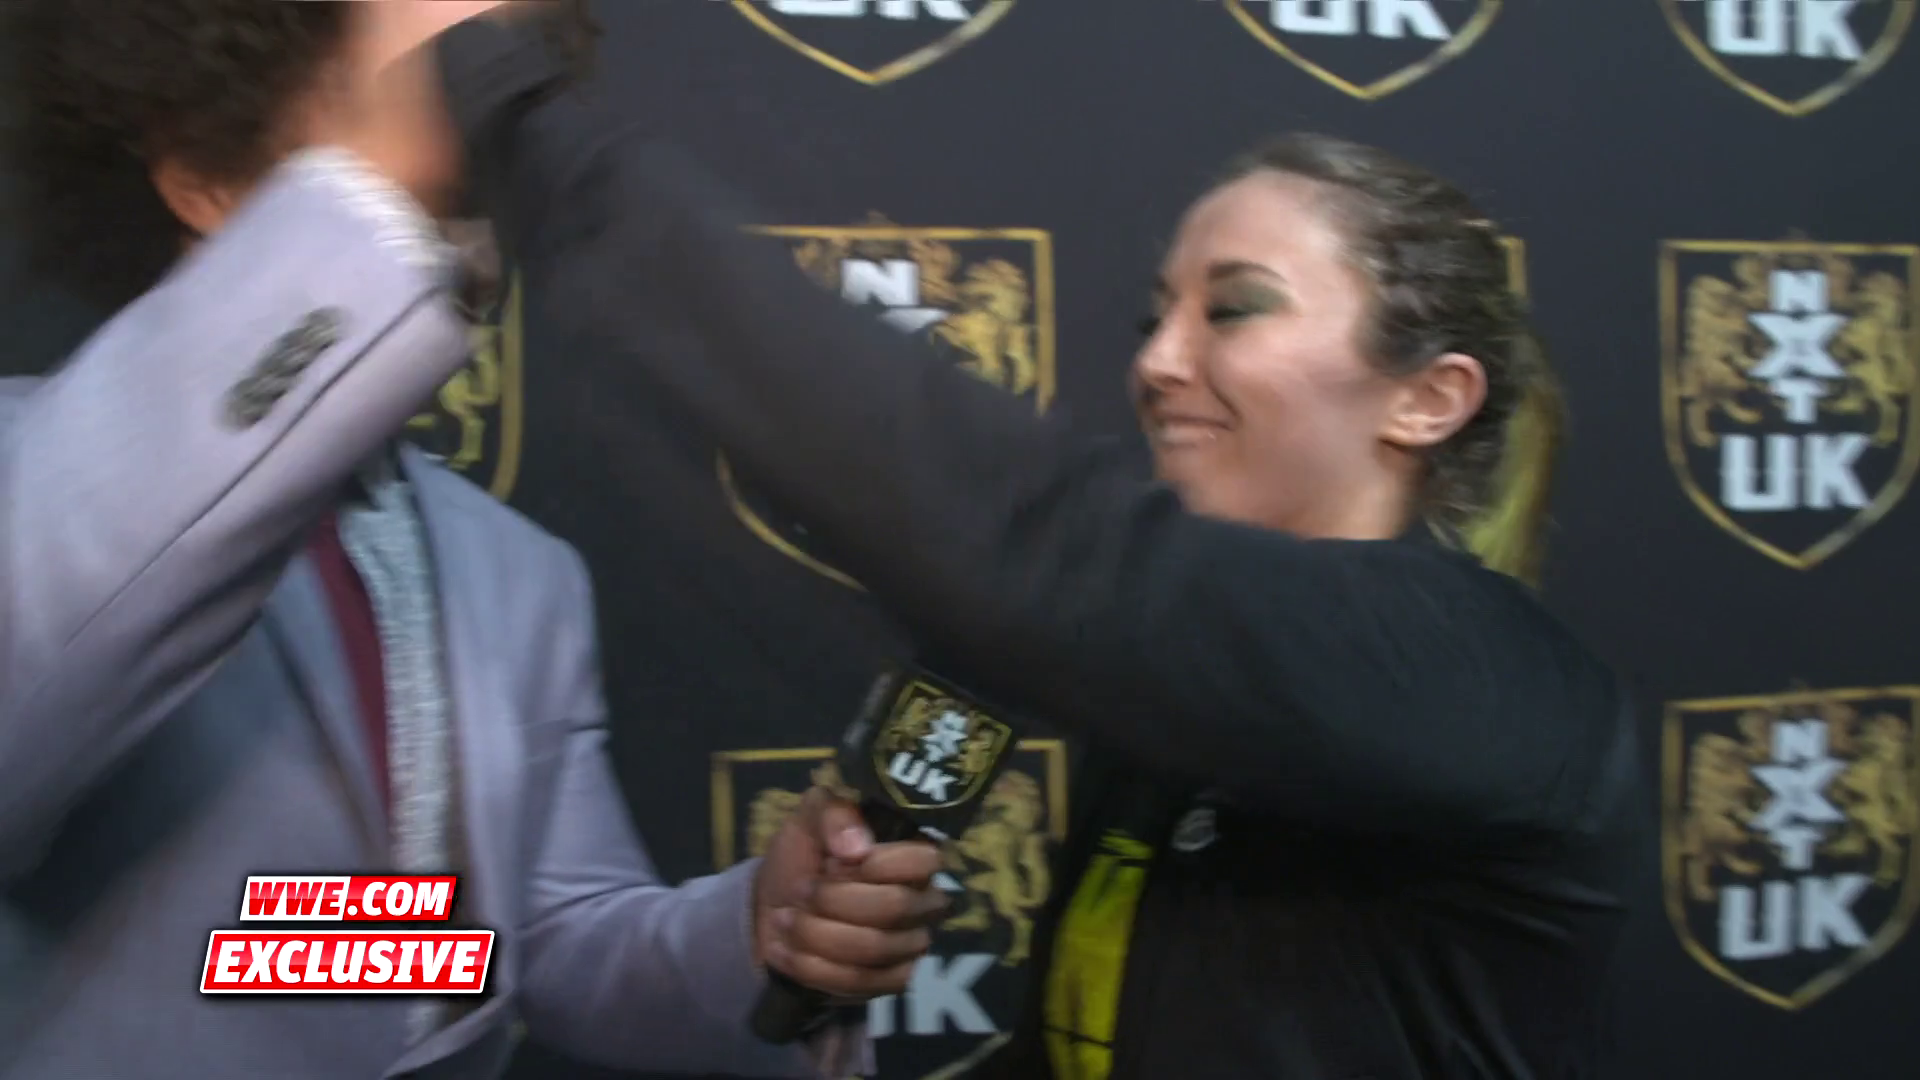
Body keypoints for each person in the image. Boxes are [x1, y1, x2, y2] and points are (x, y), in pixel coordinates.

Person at [427, 14, 1648, 1078]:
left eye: (1234, 308)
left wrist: (506, 105)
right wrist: (775, 929)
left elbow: (1026, 548)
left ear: (1429, 398)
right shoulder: (1184, 716)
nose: (1157, 363)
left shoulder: (1487, 683)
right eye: (1155, 316)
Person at [0, 3, 945, 1078]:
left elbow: (539, 952)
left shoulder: (514, 572)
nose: (461, 191)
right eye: (417, 104)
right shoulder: (29, 476)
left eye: (481, 144)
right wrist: (376, 176)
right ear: (203, 178)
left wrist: (757, 933)